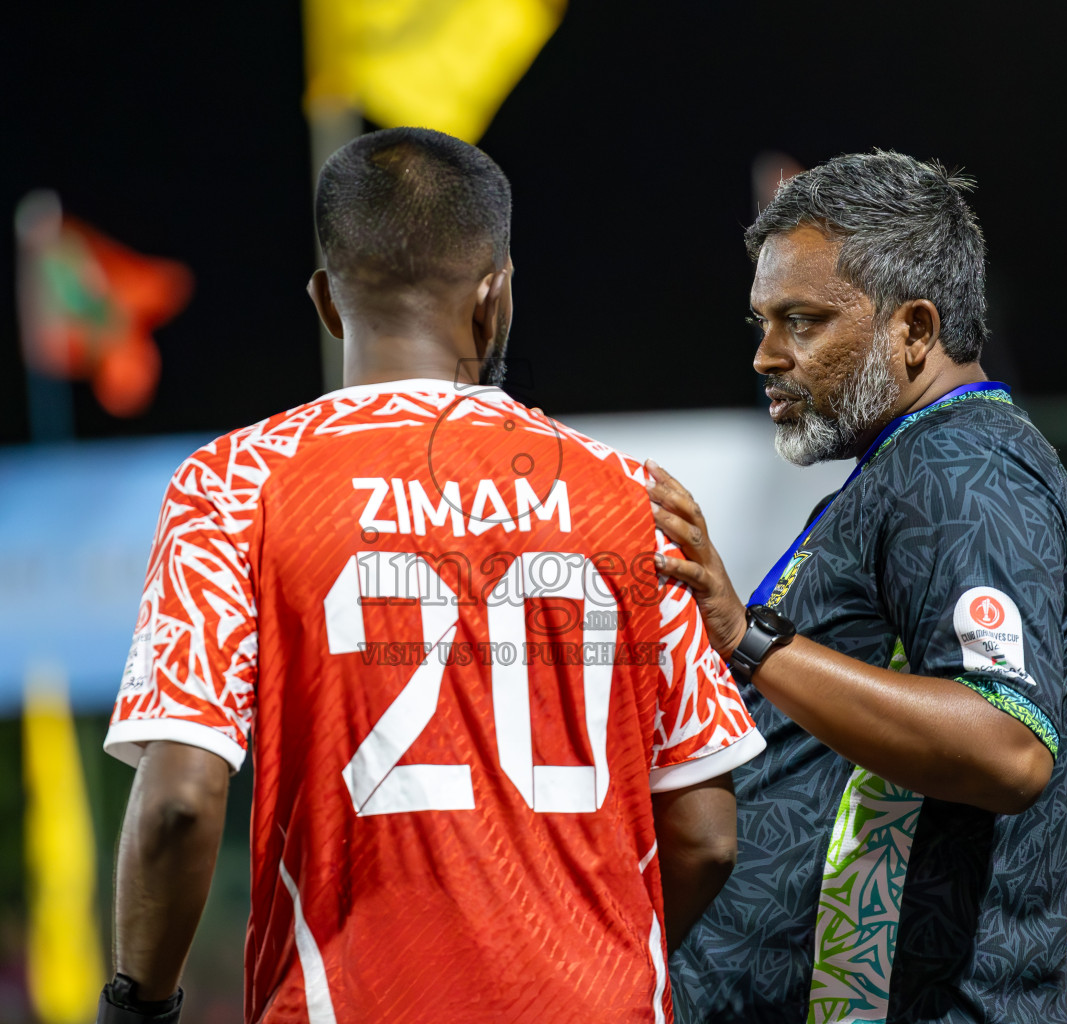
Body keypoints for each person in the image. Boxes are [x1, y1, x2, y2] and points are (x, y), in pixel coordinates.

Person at [97, 127, 767, 1024]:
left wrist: (135, 1006)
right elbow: (707, 836)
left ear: (327, 303)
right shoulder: (632, 497)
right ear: (498, 298)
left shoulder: (234, 485)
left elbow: (179, 803)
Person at [647, 151, 1067, 1023]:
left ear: (915, 329)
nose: (767, 357)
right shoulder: (913, 464)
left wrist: (747, 634)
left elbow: (1007, 746)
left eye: (803, 321)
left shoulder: (966, 470)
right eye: (761, 323)